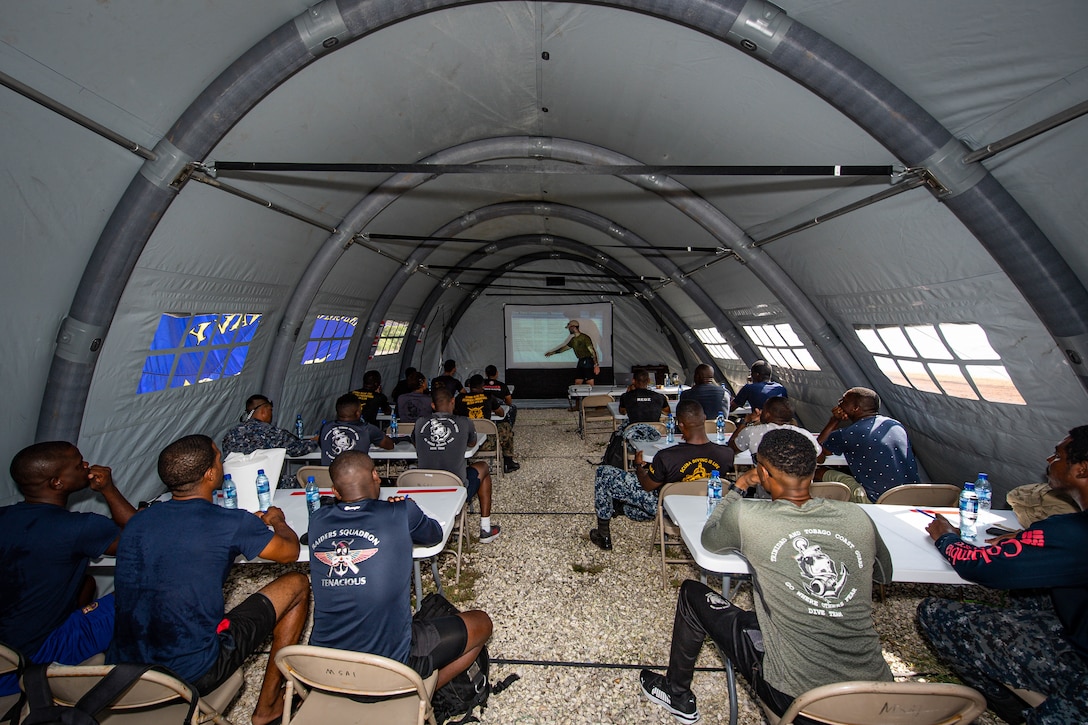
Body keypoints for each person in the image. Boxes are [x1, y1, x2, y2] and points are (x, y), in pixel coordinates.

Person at [641, 429, 893, 724]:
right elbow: (882, 574)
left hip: (793, 693)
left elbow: (710, 539)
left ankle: (676, 693)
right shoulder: (857, 517)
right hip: (878, 693)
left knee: (691, 593)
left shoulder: (749, 517)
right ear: (814, 469)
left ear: (761, 471)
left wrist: (737, 488)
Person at [109, 435, 309, 725]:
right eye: (219, 458)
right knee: (297, 583)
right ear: (211, 473)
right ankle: (267, 708)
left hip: (124, 670)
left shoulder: (139, 520)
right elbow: (289, 552)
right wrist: (276, 520)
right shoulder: (231, 523)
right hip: (192, 670)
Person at [917, 427, 1088, 724]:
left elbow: (981, 565)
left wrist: (946, 538)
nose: (1050, 460)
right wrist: (1029, 541)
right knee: (1029, 592)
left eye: (1058, 456)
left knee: (935, 613)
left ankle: (1023, 712)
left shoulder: (1073, 533)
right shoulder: (1068, 534)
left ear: (1081, 468)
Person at [307, 451, 493, 687]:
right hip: (392, 665)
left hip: (325, 668)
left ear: (334, 491)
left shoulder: (317, 520)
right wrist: (411, 508)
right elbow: (433, 535)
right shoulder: (401, 512)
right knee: (482, 623)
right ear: (376, 476)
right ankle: (419, 695)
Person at [0, 442, 136, 696]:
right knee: (142, 594)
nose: (86, 466)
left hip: (3, 658)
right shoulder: (78, 527)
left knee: (87, 584)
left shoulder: (4, 516)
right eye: (78, 464)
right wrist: (108, 489)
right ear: (57, 483)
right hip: (32, 661)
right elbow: (143, 535)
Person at [589, 400, 734, 550]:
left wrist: (639, 466)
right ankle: (620, 509)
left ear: (680, 424)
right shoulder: (726, 454)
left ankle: (603, 534)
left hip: (668, 507)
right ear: (704, 418)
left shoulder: (667, 456)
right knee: (632, 510)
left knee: (603, 473)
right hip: (704, 506)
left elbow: (647, 485)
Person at [413, 387, 502, 543]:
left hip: (424, 487)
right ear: (453, 401)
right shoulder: (464, 422)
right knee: (484, 467)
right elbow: (472, 443)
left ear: (433, 405)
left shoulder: (420, 422)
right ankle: (486, 529)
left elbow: (415, 441)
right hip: (456, 489)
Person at [815, 387, 918, 502]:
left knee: (818, 472)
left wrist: (834, 420)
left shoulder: (849, 433)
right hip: (912, 495)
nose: (839, 403)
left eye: (843, 401)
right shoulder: (894, 424)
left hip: (877, 500)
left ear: (855, 408)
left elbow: (817, 452)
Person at [221, 394, 316, 489]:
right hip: (266, 485)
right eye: (270, 410)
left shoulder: (230, 434)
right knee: (307, 481)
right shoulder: (272, 432)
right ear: (263, 411)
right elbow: (299, 449)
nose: (271, 414)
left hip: (236, 486)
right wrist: (316, 441)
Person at [456, 374, 520, 473]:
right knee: (506, 427)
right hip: (488, 442)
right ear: (483, 386)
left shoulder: (459, 399)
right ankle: (508, 462)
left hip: (466, 442)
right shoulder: (488, 397)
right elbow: (501, 413)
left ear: (469, 386)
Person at [729, 396, 819, 457]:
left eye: (763, 410)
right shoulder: (805, 435)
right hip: (797, 484)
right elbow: (820, 458)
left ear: (767, 414)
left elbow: (731, 449)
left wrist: (745, 421)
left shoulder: (751, 432)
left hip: (766, 484)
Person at [320, 393, 394, 465]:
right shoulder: (367, 429)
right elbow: (390, 445)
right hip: (355, 475)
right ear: (358, 413)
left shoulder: (325, 427)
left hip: (328, 476)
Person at [544, 319, 600, 384]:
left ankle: (591, 394)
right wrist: (552, 353)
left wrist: (596, 365)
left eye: (569, 328)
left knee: (589, 382)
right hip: (581, 361)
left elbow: (592, 351)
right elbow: (564, 348)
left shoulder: (585, 338)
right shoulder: (573, 340)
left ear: (573, 327)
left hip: (587, 361)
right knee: (578, 382)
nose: (568, 330)